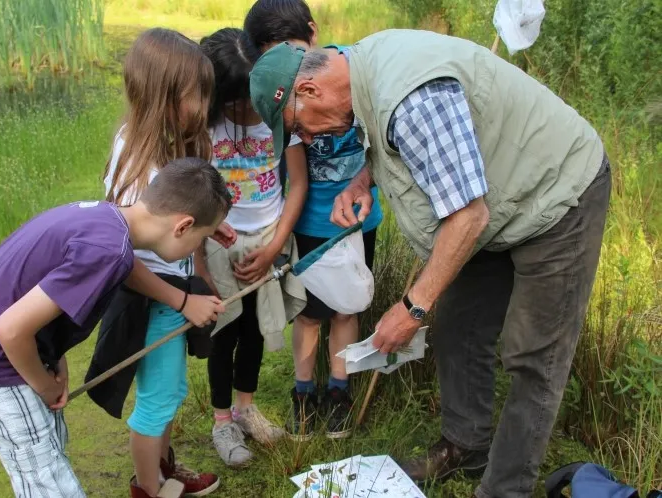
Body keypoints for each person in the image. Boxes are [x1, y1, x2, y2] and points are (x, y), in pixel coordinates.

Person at [249, 30, 610, 498]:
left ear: (310, 90)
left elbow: (468, 215)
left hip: (558, 192)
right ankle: (466, 446)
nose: (307, 137)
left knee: (533, 354)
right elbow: (401, 146)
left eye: (297, 127)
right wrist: (363, 181)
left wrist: (412, 307)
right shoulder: (358, 74)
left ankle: (505, 488)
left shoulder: (411, 97)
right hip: (495, 201)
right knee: (459, 325)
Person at [0, 157, 232, 498]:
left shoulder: (109, 220)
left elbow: (43, 300)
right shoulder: (108, 251)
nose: (198, 248)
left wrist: (54, 358)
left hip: (8, 348)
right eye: (202, 238)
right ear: (183, 226)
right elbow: (10, 330)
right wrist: (44, 386)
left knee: (48, 448)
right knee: (45, 477)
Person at [243, 0, 384, 442]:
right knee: (308, 314)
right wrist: (275, 245)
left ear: (313, 33)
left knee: (347, 306)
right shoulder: (282, 103)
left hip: (360, 222)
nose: (286, 65)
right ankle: (303, 394)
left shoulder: (350, 78)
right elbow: (298, 183)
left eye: (289, 48)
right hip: (310, 226)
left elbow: (382, 150)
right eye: (270, 55)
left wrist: (364, 193)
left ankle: (338, 393)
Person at [101, 28, 227, 498]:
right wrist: (182, 301)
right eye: (199, 94)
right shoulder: (140, 171)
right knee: (156, 402)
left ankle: (164, 470)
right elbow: (123, 261)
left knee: (170, 390)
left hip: (167, 295)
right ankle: (149, 489)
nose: (204, 104)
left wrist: (211, 223)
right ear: (168, 94)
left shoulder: (154, 146)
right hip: (152, 299)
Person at [199, 28, 309, 467]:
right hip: (219, 241)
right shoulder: (205, 125)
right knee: (224, 331)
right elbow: (192, 193)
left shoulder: (278, 113)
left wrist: (276, 245)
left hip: (268, 239)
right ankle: (222, 420)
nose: (244, 110)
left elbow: (297, 182)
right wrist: (202, 261)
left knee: (256, 331)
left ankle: (246, 408)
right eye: (232, 102)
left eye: (249, 98)